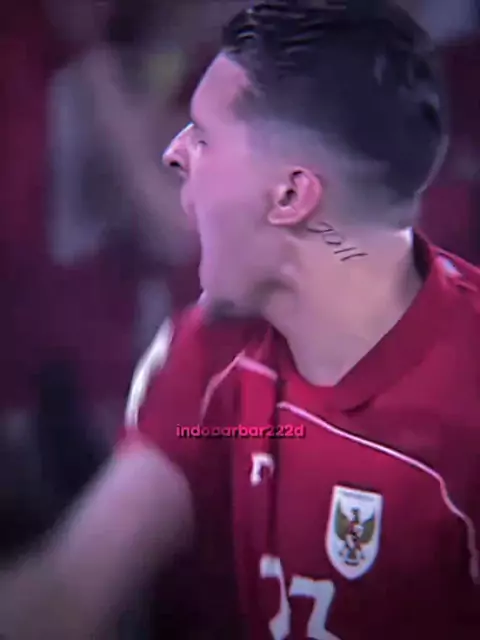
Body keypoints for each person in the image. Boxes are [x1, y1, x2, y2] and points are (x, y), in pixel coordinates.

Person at [2, 2, 480, 639]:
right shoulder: (211, 352)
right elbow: (70, 589)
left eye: (203, 139)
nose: (173, 154)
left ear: (291, 196)